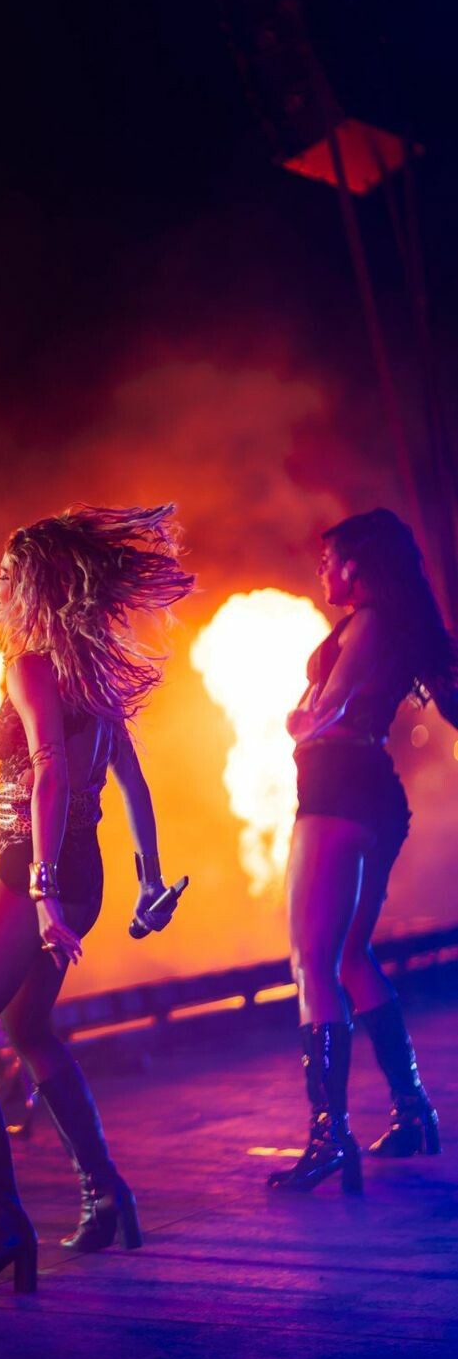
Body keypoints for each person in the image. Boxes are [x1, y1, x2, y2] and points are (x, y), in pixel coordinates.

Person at [0, 506, 192, 1292]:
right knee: (28, 1026)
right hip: (86, 874)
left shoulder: (33, 665)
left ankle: (0, 1225)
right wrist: (147, 879)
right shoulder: (91, 675)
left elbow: (48, 768)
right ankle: (105, 1194)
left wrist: (39, 895)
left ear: (34, 587)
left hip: (33, 874)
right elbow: (131, 783)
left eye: (7, 575)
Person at [269, 509, 458, 1194]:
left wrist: (305, 719)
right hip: (364, 792)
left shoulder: (372, 619)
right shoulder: (377, 620)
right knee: (348, 955)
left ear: (356, 565)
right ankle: (412, 1111)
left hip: (339, 790)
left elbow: (338, 700)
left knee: (310, 960)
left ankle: (329, 1137)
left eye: (328, 560)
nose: (320, 570)